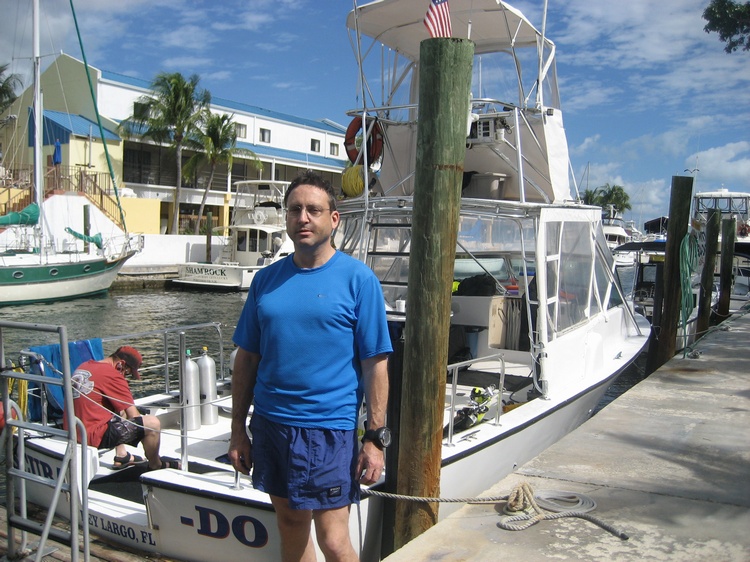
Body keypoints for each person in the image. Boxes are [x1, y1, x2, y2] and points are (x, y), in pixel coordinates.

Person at [228, 170, 392, 562]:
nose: (303, 217)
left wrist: (374, 438)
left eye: (313, 210)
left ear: (333, 219)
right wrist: (237, 430)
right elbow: (246, 359)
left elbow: (375, 365)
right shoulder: (265, 281)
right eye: (295, 209)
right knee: (291, 528)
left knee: (334, 541)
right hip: (271, 425)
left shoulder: (359, 280)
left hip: (328, 430)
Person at [65, 346, 178, 471]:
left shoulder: (85, 365)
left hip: (72, 429)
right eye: (127, 373)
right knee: (152, 424)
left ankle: (122, 455)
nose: (125, 377)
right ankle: (156, 464)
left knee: (120, 408)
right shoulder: (112, 375)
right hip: (91, 436)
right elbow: (134, 417)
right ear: (121, 364)